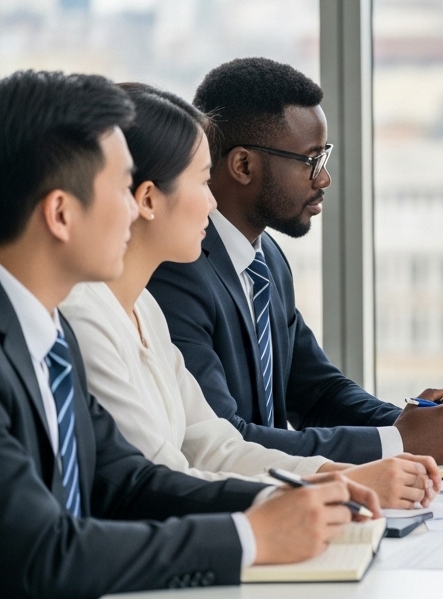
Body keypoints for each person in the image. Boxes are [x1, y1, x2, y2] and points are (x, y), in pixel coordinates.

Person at [0, 70, 380, 596]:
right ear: (61, 213)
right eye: (121, 189)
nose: (135, 208)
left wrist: (293, 500)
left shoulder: (50, 336)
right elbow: (42, 552)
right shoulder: (53, 333)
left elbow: (130, 483)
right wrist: (250, 536)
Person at [62, 83, 442, 509]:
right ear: (148, 198)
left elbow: (214, 445)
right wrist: (323, 490)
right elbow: (160, 479)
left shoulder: (144, 308)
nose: (211, 202)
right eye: (204, 181)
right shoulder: (88, 316)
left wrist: (337, 475)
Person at [148, 57, 443, 465]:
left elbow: (317, 391)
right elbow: (227, 439)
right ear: (243, 165)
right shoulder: (176, 271)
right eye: (311, 160)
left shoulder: (266, 257)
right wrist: (400, 442)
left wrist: (422, 425)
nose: (323, 179)